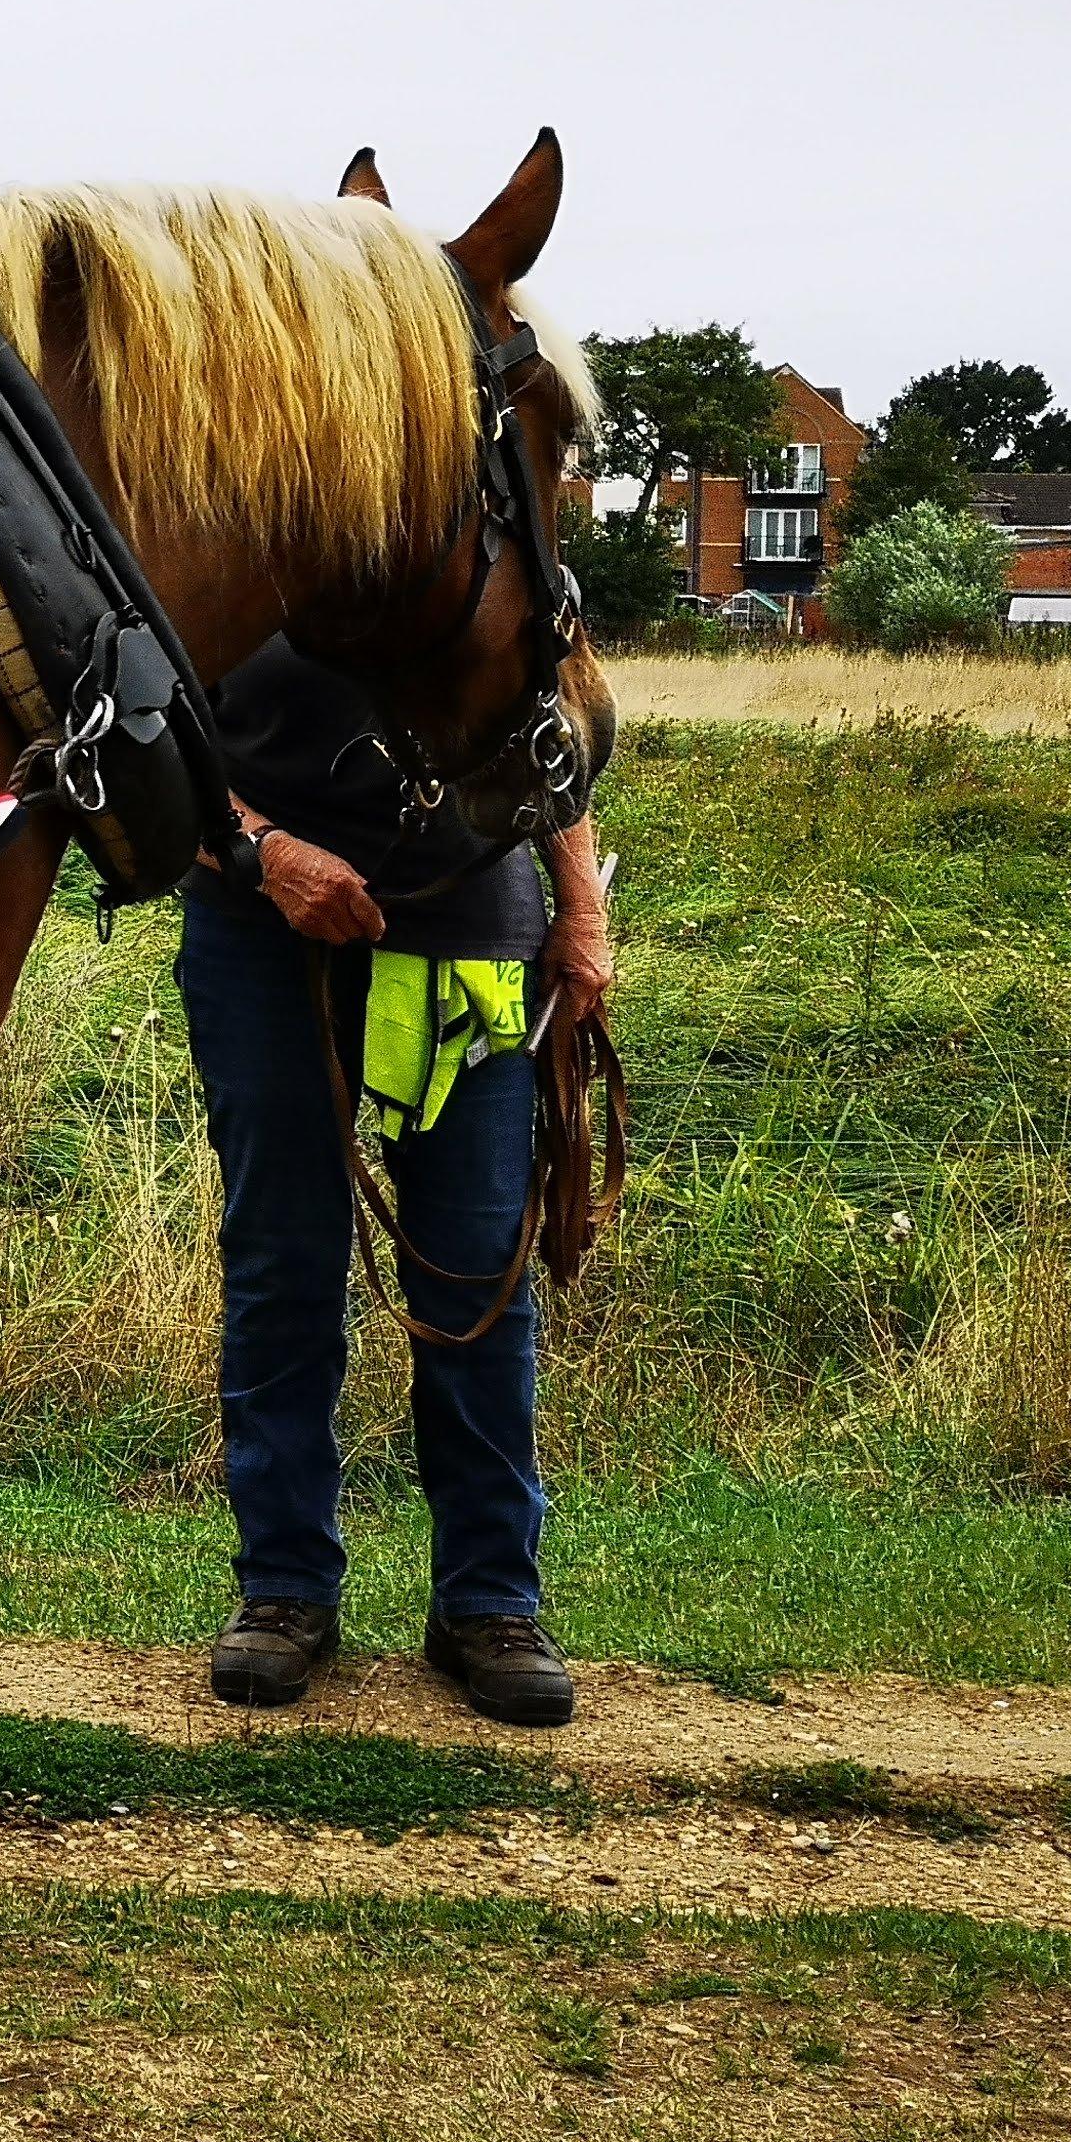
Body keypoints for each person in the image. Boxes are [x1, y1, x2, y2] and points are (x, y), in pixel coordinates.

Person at [176, 636, 612, 1726]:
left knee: (477, 1280)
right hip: (263, 939)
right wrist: (266, 853)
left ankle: (490, 1601)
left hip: (472, 946)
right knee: (283, 1263)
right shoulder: (226, 529)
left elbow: (544, 727)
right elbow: (151, 749)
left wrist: (583, 915)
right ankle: (283, 1592)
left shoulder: (471, 522)